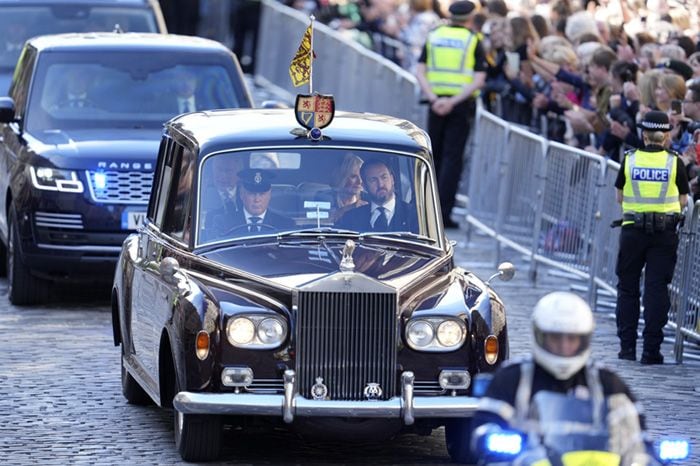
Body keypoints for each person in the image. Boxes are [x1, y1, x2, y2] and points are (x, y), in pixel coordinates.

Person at [471, 292, 648, 462]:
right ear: (539, 335)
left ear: (585, 339)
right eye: (555, 339)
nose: (564, 346)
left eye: (572, 339)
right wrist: (490, 437)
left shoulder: (607, 383)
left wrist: (644, 455)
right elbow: (482, 428)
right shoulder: (513, 377)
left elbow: (638, 436)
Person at [614, 110, 689, 364]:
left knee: (627, 289)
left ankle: (626, 348)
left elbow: (620, 196)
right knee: (656, 289)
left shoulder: (630, 159)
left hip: (632, 230)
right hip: (664, 233)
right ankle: (650, 351)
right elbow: (683, 200)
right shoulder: (674, 161)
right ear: (666, 136)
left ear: (643, 134)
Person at [415, 0, 487, 228]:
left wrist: (435, 99)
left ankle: (423, 212)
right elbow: (479, 79)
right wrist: (453, 101)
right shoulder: (473, 39)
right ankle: (442, 215)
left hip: (435, 104)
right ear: (470, 16)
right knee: (452, 160)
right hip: (459, 106)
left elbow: (420, 70)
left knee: (430, 157)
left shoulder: (434, 35)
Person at [336, 158, 417, 232]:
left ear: (392, 179)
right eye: (373, 180)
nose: (380, 184)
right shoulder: (350, 218)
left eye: (384, 177)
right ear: (364, 186)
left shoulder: (415, 216)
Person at [207, 169, 294, 237]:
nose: (257, 199)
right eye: (251, 194)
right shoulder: (223, 222)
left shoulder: (285, 225)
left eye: (262, 194)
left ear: (269, 195)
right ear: (241, 194)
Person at [317, 153, 368, 221]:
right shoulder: (324, 197)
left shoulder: (368, 199)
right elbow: (323, 221)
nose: (360, 181)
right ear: (342, 177)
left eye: (361, 176)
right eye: (353, 176)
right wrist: (350, 208)